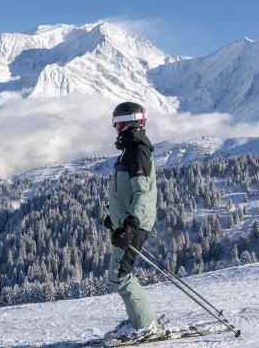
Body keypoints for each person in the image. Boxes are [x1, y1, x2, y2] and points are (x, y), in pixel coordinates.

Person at [103, 101, 160, 339]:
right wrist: (114, 218)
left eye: (117, 123)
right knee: (118, 274)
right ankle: (139, 318)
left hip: (135, 224)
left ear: (128, 124)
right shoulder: (130, 150)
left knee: (120, 275)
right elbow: (124, 191)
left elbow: (142, 192)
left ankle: (144, 324)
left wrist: (131, 223)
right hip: (127, 222)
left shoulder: (138, 151)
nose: (115, 128)